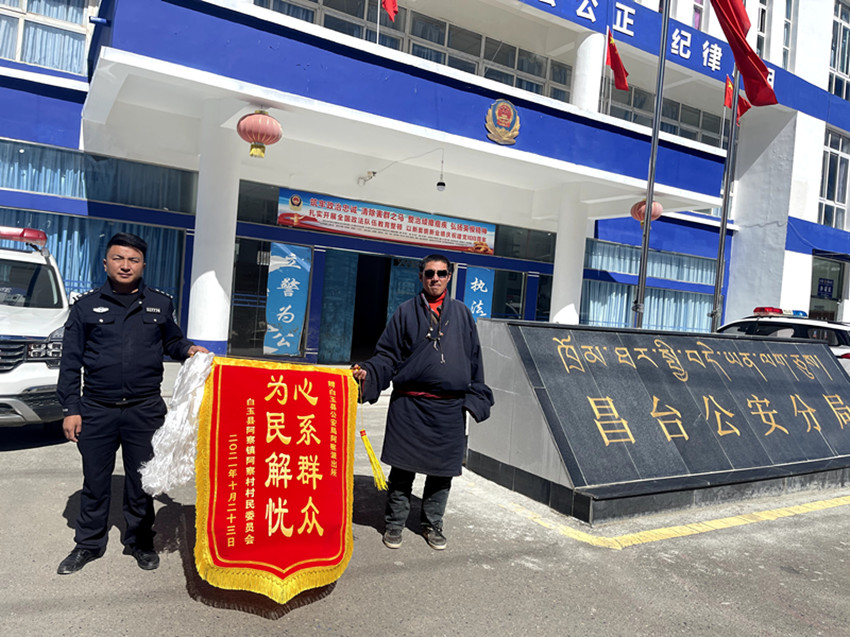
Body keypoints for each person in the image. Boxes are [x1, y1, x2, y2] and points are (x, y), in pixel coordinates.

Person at [56, 232, 208, 575]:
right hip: (97, 409)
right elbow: (70, 362)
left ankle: (140, 541)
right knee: (95, 481)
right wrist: (71, 409)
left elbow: (172, 341)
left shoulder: (159, 304)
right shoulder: (85, 307)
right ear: (105, 263)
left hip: (144, 410)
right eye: (118, 258)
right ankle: (88, 544)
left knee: (142, 481)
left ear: (143, 265)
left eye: (133, 260)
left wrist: (188, 350)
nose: (125, 265)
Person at [353, 254, 493, 550]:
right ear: (421, 276)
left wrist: (475, 395)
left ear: (449, 276)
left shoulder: (462, 313)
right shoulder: (405, 312)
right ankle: (394, 524)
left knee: (442, 474)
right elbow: (387, 355)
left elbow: (474, 358)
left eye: (441, 273)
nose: (435, 278)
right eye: (429, 273)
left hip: (449, 408)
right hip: (410, 406)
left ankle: (432, 524)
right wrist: (369, 371)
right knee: (402, 471)